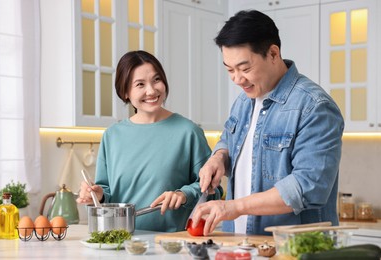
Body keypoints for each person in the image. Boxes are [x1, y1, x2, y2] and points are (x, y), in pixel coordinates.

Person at [192, 10, 344, 236]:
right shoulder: (244, 101)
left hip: (296, 249)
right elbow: (228, 139)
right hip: (241, 243)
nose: (237, 79)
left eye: (245, 68)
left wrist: (233, 207)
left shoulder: (315, 106)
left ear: (273, 53)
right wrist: (219, 157)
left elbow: (307, 187)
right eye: (229, 70)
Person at [77, 50, 221, 232]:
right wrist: (98, 195)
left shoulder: (188, 132)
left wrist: (183, 194)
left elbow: (213, 189)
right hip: (122, 240)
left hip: (171, 243)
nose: (151, 90)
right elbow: (106, 191)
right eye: (140, 84)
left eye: (156, 80)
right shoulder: (112, 136)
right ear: (125, 92)